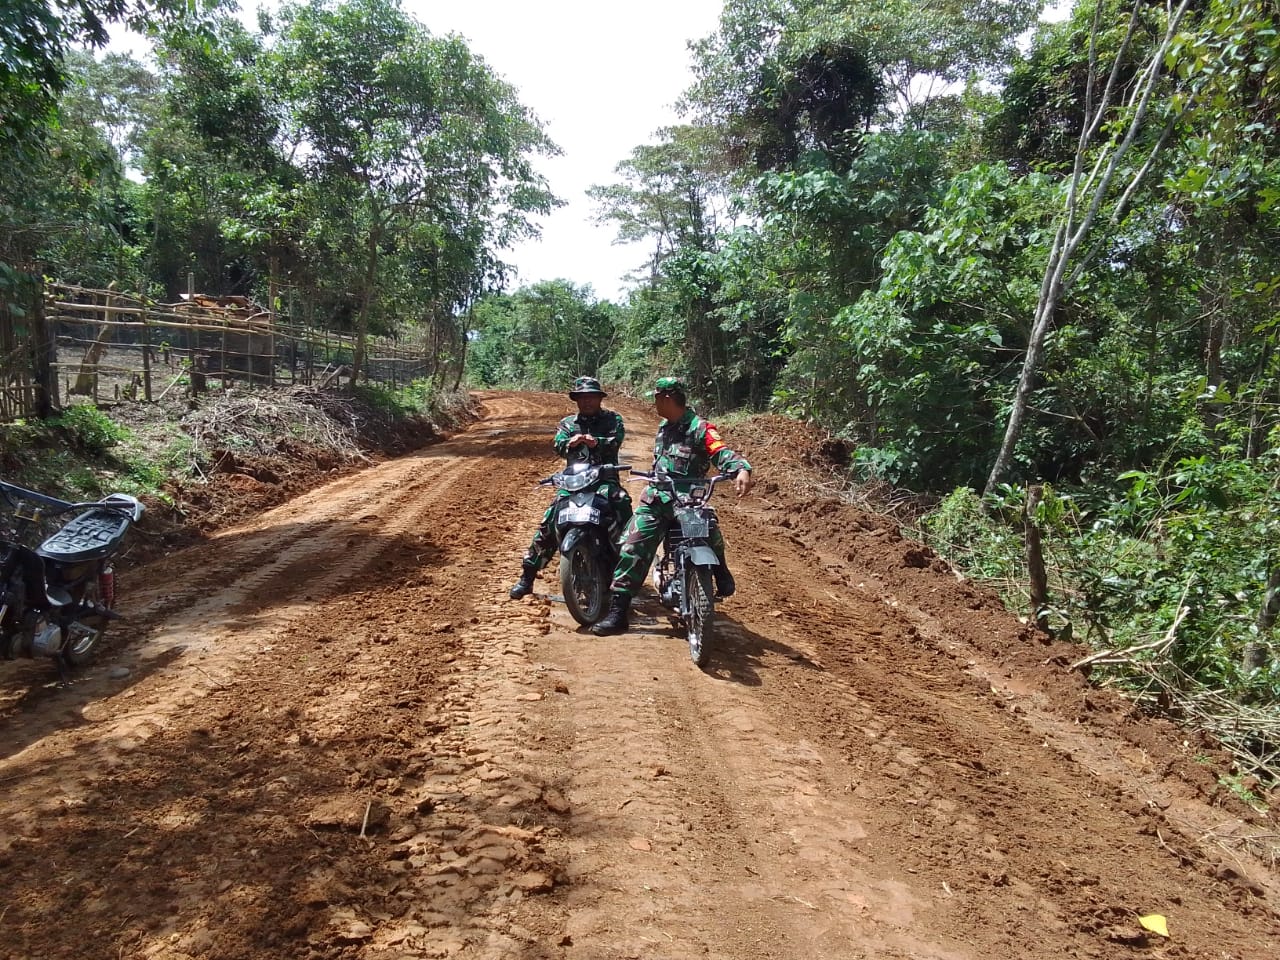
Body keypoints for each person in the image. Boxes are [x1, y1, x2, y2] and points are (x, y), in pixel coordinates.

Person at [591, 376, 754, 636]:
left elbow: (720, 450)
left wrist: (740, 469)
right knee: (633, 545)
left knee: (708, 528)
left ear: (666, 398)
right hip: (657, 500)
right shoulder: (664, 427)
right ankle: (618, 613)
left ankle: (721, 571)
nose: (654, 403)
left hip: (688, 501)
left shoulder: (699, 428)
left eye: (656, 397)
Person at [509, 376, 633, 599]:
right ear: (576, 400)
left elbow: (617, 439)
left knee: (622, 503)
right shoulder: (568, 423)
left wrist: (598, 442)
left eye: (591, 397)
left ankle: (628, 561)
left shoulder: (613, 419)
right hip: (575, 482)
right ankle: (527, 576)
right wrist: (570, 443)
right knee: (551, 518)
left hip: (604, 481)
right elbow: (558, 446)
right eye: (582, 398)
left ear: (599, 398)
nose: (587, 402)